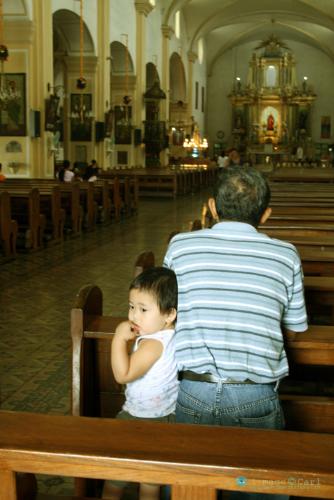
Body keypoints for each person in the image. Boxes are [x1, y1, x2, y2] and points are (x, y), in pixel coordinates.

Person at [163, 166, 308, 500]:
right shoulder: (285, 255)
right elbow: (296, 329)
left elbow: (168, 313)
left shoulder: (180, 246)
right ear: (266, 215)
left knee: (190, 487)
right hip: (254, 394)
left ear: (213, 207)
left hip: (192, 387)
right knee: (257, 489)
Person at [103, 267, 178, 500]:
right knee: (150, 483)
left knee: (115, 481)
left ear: (169, 314)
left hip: (141, 419)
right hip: (165, 417)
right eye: (131, 307)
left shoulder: (153, 344)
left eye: (143, 309)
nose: (134, 316)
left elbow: (122, 375)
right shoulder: (171, 334)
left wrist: (118, 338)